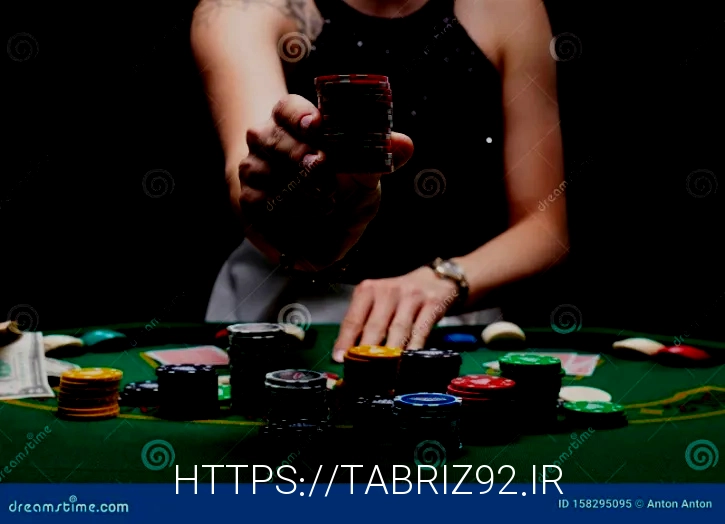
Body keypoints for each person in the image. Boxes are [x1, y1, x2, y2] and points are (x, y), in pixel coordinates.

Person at [192, 0, 568, 361]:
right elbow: (249, 177)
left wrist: (446, 280)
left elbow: (544, 228)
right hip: (284, 318)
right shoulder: (243, 7)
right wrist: (295, 216)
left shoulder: (510, 7)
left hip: (447, 323)